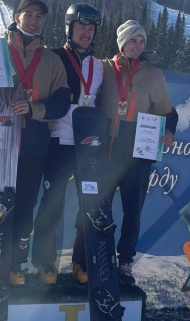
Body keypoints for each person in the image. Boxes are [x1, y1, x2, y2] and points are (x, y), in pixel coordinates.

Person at [0, 0, 70, 286]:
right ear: (17, 16)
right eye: (29, 14)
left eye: (39, 16)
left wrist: (34, 109)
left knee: (24, 205)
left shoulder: (52, 60)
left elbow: (62, 103)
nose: (34, 20)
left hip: (34, 143)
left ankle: (15, 264)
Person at [73, 19, 178, 287]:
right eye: (132, 40)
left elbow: (167, 111)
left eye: (141, 41)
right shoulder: (104, 68)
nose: (138, 45)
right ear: (122, 42)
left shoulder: (153, 74)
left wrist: (170, 131)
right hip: (105, 151)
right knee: (95, 207)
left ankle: (125, 262)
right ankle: (87, 258)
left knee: (133, 211)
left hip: (137, 153)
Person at [32, 3, 103, 284]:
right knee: (52, 203)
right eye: (81, 27)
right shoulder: (53, 57)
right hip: (58, 140)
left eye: (91, 28)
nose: (86, 33)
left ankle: (81, 261)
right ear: (69, 28)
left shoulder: (99, 66)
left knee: (89, 204)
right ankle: (44, 261)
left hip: (87, 145)